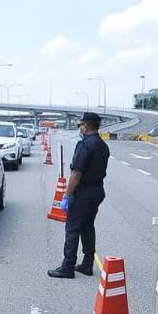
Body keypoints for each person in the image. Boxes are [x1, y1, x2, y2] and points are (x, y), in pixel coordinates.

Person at [48, 112, 109, 279]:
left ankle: (67, 266)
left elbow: (76, 173)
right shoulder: (103, 145)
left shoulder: (85, 145)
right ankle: (87, 264)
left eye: (80, 125)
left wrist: (67, 195)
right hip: (97, 190)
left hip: (84, 192)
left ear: (86, 126)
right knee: (87, 226)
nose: (80, 128)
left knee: (72, 228)